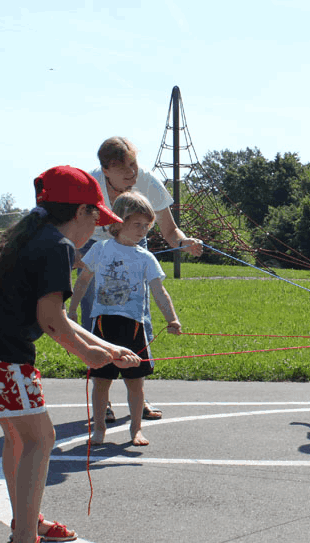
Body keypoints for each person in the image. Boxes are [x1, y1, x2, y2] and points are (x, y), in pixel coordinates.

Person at [0, 165, 141, 543]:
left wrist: (108, 347)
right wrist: (89, 357)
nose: (98, 229)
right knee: (41, 438)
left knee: (19, 439)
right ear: (82, 211)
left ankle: (27, 524)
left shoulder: (29, 236)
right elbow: (51, 321)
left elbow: (57, 318)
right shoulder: (57, 247)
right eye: (98, 220)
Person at [81, 136, 203, 423]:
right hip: (94, 248)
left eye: (133, 165)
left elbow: (171, 231)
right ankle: (104, 400)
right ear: (105, 169)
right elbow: (72, 227)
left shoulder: (147, 182)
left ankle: (138, 395)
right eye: (123, 168)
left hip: (135, 247)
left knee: (139, 318)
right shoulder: (89, 185)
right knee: (95, 321)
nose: (131, 173)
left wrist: (185, 243)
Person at [69, 191, 181, 446]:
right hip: (102, 325)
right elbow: (83, 280)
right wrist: (73, 309)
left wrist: (172, 319)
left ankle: (136, 429)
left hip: (133, 327)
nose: (143, 230)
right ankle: (99, 428)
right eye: (137, 224)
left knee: (135, 383)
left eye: (147, 226)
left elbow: (159, 291)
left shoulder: (145, 257)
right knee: (101, 382)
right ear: (118, 223)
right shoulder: (100, 249)